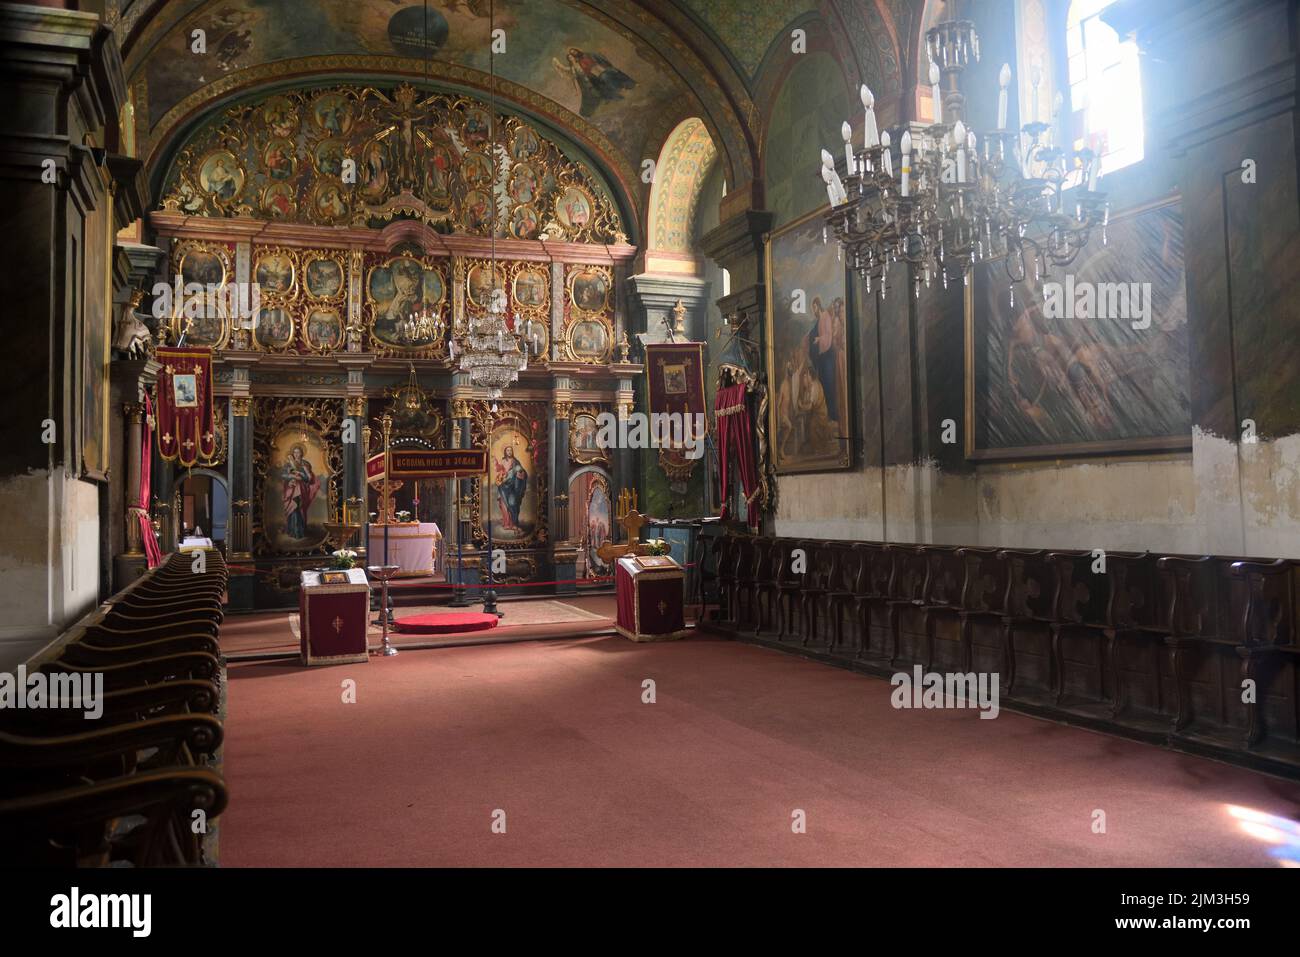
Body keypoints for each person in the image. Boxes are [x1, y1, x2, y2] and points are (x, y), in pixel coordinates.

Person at [495, 446, 528, 531]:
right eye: (507, 450)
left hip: (513, 487)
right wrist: (501, 475)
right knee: (504, 505)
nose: (509, 452)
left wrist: (520, 474)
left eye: (510, 450)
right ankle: (506, 523)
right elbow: (500, 471)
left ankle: (513, 524)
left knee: (513, 504)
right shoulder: (503, 461)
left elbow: (521, 472)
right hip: (503, 486)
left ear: (512, 452)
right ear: (505, 452)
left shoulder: (515, 462)